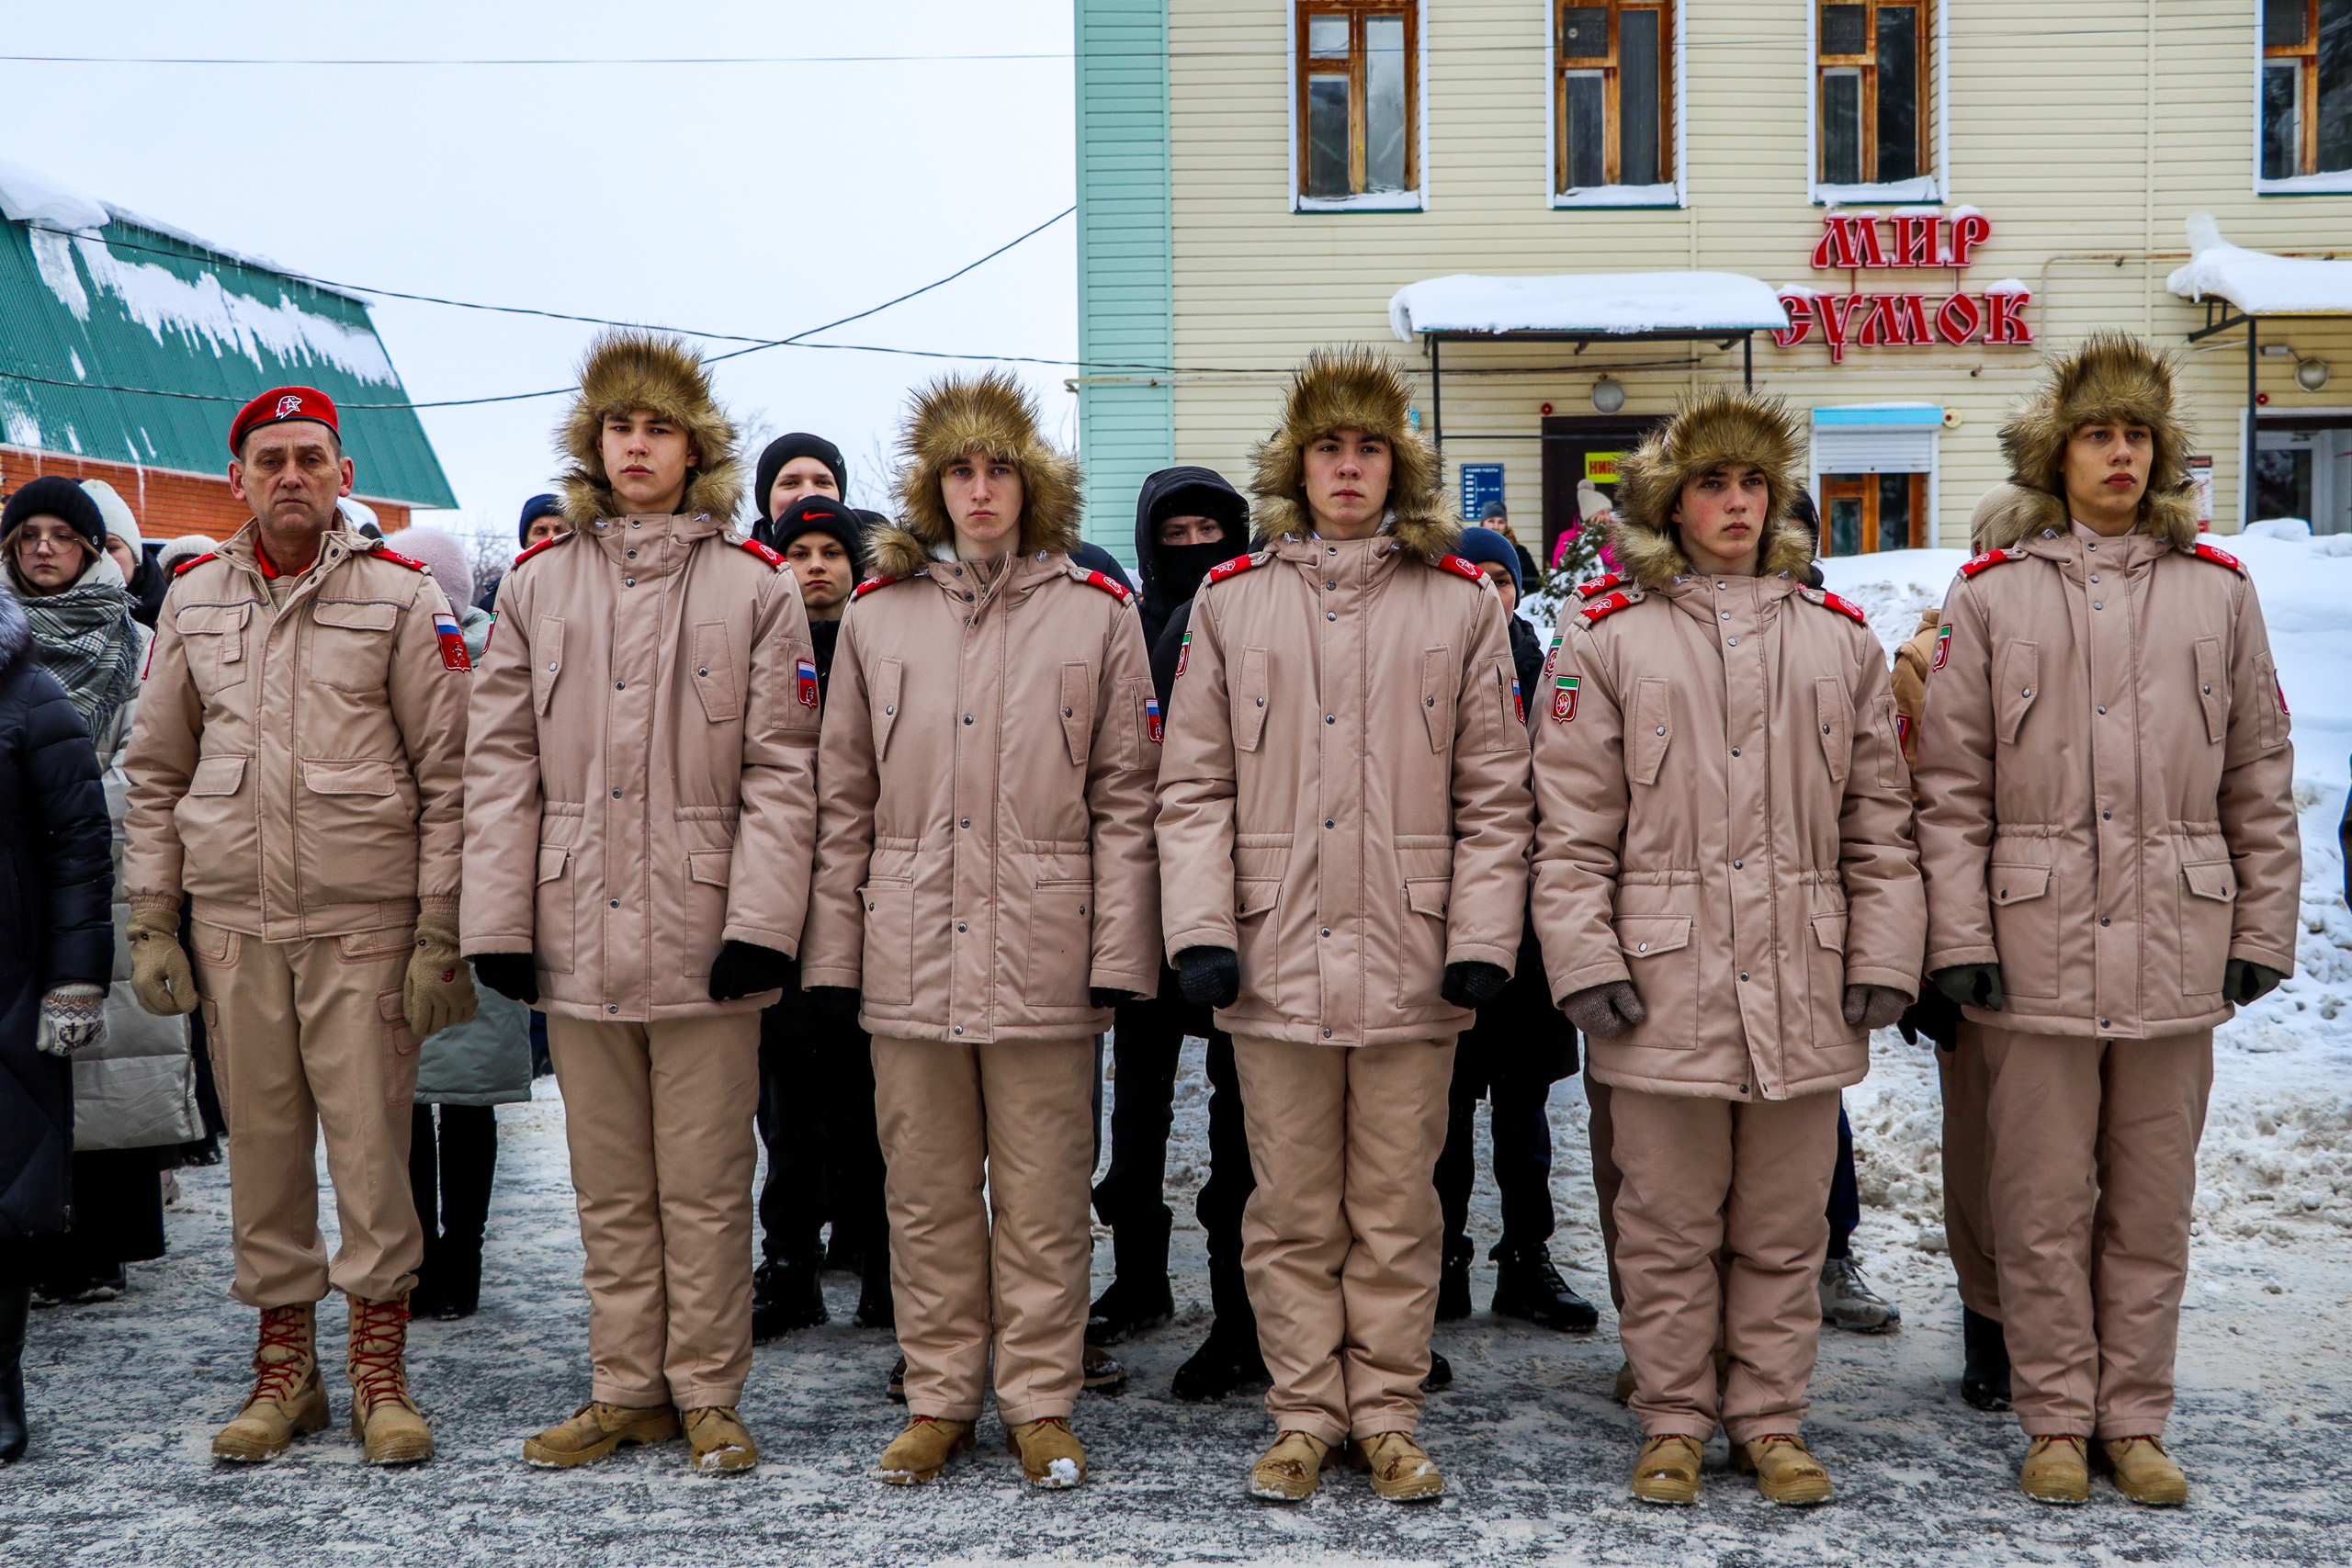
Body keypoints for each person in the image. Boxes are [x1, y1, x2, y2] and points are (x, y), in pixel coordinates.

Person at [1915, 334, 2301, 1507]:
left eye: (2136, 435)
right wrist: (1959, 941)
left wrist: (2261, 932)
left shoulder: (2219, 594)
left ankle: (2132, 1418)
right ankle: (2050, 1418)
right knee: (2036, 1203)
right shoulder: (1993, 596)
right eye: (2098, 435)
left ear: (2161, 457)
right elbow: (1950, 788)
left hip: (2178, 944)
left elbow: (2257, 772)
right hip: (2031, 952)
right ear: (2058, 455)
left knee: (2147, 1205)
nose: (2120, 453)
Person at [1532, 389, 1923, 1508]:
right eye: (1713, 484)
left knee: (1782, 1229)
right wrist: (1587, 959)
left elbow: (1878, 823)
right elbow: (1566, 829)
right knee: (1664, 1226)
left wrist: (1883, 954)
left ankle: (1769, 1419)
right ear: (1673, 502)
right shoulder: (1607, 640)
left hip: (1800, 982)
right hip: (1662, 985)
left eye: (1753, 484)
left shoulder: (1838, 642)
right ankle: (1670, 1418)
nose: (1737, 503)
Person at [1157, 348, 1534, 1504]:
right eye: (1329, 448)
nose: (1349, 468)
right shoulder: (1230, 605)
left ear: (1397, 468)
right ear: (1297, 467)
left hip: (1413, 963)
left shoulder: (1459, 608)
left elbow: (1495, 792)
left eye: (1369, 449)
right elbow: (1191, 790)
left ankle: (1386, 1412)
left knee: (1396, 1207)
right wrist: (1198, 931)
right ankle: (1303, 1414)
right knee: (1286, 1210)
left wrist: (1480, 940)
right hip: (1271, 960)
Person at [464, 333, 820, 1475]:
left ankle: (709, 1391)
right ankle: (628, 1389)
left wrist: (762, 922)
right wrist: (501, 925)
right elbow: (501, 765)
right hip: (575, 933)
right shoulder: (537, 583)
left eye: (658, 428)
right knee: (610, 1187)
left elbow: (780, 768)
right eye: (620, 427)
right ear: (593, 444)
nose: (636, 446)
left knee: (709, 1187)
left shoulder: (754, 586)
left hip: (708, 931)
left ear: (694, 449)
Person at [801, 370, 1159, 1490]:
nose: (981, 488)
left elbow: (1127, 799)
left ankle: (1041, 1400)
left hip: (1046, 955)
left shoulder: (1096, 615)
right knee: (927, 1194)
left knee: (1049, 1196)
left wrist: (1119, 957)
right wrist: (831, 955)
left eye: (999, 467)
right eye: (960, 470)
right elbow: (840, 796)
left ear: (1031, 482)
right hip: (910, 952)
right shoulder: (876, 616)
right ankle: (941, 1395)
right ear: (931, 488)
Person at [121, 386, 475, 1466]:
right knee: (265, 1157)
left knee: (374, 1155)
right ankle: (288, 1373)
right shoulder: (190, 601)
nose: (289, 476)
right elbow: (156, 771)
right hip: (234, 929)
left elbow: (451, 781)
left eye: (309, 459)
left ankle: (379, 1372)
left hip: (363, 929)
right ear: (236, 480)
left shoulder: (403, 600)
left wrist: (439, 934)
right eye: (268, 459)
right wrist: (152, 921)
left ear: (342, 477)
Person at [4, 479, 200, 1309]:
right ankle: (30, 1238)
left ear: (91, 549)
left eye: (62, 535)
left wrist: (73, 799)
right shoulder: (3, 642)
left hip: (107, 870)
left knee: (108, 1061)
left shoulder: (137, 640)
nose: (44, 547)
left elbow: (154, 758)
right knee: (23, 1063)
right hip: (15, 878)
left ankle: (102, 1244)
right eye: (28, 535)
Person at [1088, 466, 1261, 1400]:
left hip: (1241, 899)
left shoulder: (1249, 618)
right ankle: (1139, 1273)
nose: (1195, 545)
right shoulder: (1124, 622)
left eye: (1211, 528)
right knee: (1139, 1104)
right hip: (1139, 892)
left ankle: (1246, 1310)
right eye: (1178, 530)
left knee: (1243, 1114)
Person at [1890, 481, 2036, 1413]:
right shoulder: (1925, 660)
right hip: (1977, 944)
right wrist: (1922, 963)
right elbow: (1903, 817)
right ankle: (1989, 1321)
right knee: (1987, 1149)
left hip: (2089, 934)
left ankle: (2073, 1328)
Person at [1430, 526, 1598, 1335]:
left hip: (1534, 933)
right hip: (1450, 924)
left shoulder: (1556, 664)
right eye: (1476, 575)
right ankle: (1443, 1257)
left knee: (1525, 1113)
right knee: (1447, 1109)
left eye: (1503, 577)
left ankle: (1527, 1257)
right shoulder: (1436, 661)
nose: (1491, 591)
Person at [745, 491, 891, 1340]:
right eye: (800, 554)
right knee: (786, 1110)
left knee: (871, 1104)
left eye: (832, 553)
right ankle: (790, 1264)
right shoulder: (760, 650)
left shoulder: (878, 647)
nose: (816, 568)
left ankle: (880, 1264)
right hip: (779, 908)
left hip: (867, 909)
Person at [381, 527, 533, 1323]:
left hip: (472, 901)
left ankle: (460, 1257)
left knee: (464, 1097)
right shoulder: (381, 651)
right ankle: (415, 1258)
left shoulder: (491, 660)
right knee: (401, 1096)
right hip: (389, 897)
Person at [0, 586, 113, 1463]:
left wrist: (73, 985)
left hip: (8, 981)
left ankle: (0, 1382)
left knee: (3, 1200)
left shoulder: (33, 697)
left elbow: (79, 848)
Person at [81, 481, 163, 628]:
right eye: (87, 548)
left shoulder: (168, 618)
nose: (101, 558)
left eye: (111, 548)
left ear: (135, 556)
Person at [751, 433, 847, 537]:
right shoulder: (733, 553)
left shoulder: (862, 551)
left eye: (823, 483)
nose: (808, 496)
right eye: (790, 483)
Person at [1477, 500, 1541, 588]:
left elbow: (1534, 584)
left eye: (1501, 522)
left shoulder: (1519, 552)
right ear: (1482, 524)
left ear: (1506, 525)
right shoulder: (1474, 549)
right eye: (1491, 521)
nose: (1496, 527)